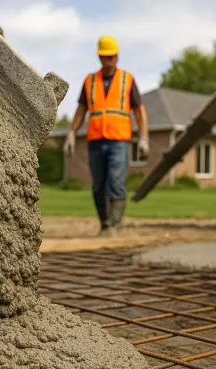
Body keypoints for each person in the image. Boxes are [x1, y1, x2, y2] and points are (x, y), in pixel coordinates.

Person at [64, 35, 149, 237]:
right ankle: (105, 224)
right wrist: (71, 133)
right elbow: (81, 109)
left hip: (119, 140)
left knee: (116, 182)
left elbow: (139, 110)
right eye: (103, 57)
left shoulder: (127, 79)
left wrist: (144, 136)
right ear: (99, 57)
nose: (107, 61)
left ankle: (116, 225)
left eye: (110, 57)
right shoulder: (90, 80)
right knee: (98, 184)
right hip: (95, 140)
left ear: (117, 57)